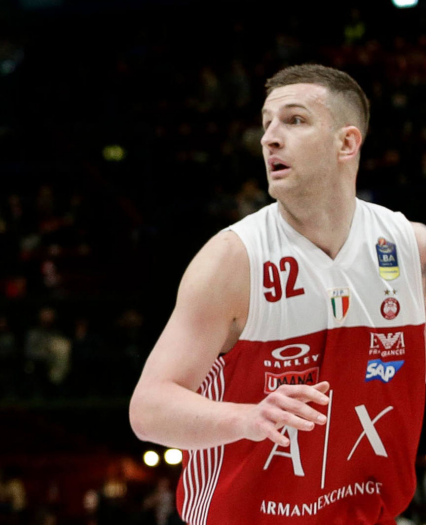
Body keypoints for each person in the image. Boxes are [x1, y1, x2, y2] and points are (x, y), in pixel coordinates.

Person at [130, 64, 425, 523]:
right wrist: (247, 418)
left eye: (294, 120)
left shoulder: (411, 250)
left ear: (347, 143)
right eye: (266, 123)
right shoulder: (233, 260)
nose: (269, 138)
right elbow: (148, 409)